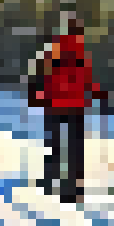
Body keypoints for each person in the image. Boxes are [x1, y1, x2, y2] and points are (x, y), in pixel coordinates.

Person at [26, 11, 104, 202]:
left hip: (54, 103)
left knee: (54, 143)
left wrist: (35, 93)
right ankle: (72, 191)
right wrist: (97, 92)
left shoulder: (52, 49)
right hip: (76, 105)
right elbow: (88, 78)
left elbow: (39, 73)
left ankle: (49, 179)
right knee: (75, 148)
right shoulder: (81, 52)